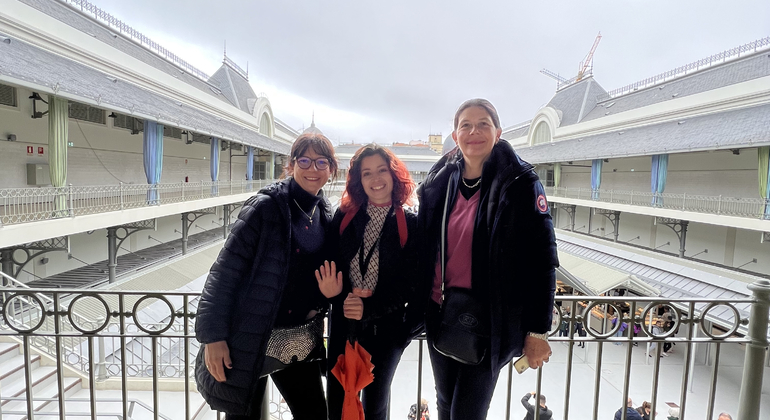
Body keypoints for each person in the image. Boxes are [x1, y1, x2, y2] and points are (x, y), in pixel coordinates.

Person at [417, 99, 558, 420]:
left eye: (483, 124)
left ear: (498, 132)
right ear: (455, 135)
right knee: (443, 402)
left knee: (468, 411)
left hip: (490, 318)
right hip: (441, 311)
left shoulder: (520, 184)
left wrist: (538, 330)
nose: (474, 131)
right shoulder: (441, 182)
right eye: (465, 125)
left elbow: (542, 260)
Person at [194, 133, 338, 419]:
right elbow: (224, 273)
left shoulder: (323, 213)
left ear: (331, 170)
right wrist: (212, 338)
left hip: (297, 340)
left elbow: (316, 275)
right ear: (292, 164)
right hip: (249, 337)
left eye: (321, 162)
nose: (313, 169)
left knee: (314, 414)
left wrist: (324, 299)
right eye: (305, 160)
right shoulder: (265, 207)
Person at [317, 144, 421, 420]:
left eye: (382, 171)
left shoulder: (409, 223)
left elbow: (411, 282)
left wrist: (370, 307)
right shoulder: (346, 216)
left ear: (394, 174)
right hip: (344, 325)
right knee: (338, 403)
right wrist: (337, 298)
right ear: (358, 180)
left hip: (385, 331)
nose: (375, 180)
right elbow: (330, 268)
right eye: (367, 173)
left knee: (376, 407)